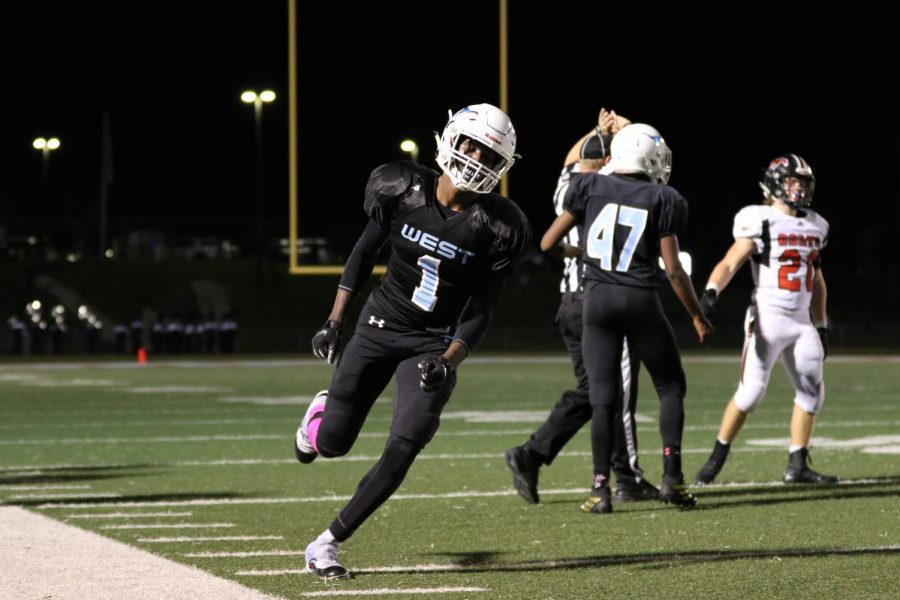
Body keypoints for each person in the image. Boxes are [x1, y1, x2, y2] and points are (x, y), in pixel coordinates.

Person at [295, 103, 531, 580]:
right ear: (450, 140)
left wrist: (449, 360)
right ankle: (319, 419)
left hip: (431, 343)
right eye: (471, 146)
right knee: (334, 444)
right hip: (379, 326)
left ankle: (326, 544)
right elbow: (364, 253)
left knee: (407, 442)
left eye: (489, 154)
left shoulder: (499, 225)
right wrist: (335, 321)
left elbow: (482, 311)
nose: (476, 159)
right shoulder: (402, 188)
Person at [540, 123, 711, 514]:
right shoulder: (664, 197)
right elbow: (673, 270)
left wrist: (580, 255)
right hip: (640, 301)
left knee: (603, 399)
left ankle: (600, 489)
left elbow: (547, 243)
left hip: (596, 304)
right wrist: (697, 316)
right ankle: (673, 479)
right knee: (669, 387)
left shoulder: (586, 187)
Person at [505, 109, 661, 507]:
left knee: (597, 392)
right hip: (603, 299)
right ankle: (626, 478)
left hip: (571, 304)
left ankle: (531, 454)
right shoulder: (607, 184)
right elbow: (639, 156)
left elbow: (572, 159)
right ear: (607, 161)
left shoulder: (568, 184)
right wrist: (625, 130)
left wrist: (596, 130)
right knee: (618, 393)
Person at [694, 154, 836, 485]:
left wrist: (822, 324)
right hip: (767, 318)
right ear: (773, 185)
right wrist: (711, 291)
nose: (798, 190)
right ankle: (717, 457)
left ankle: (797, 463)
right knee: (751, 393)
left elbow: (815, 280)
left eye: (802, 184)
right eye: (791, 182)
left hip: (801, 323)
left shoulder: (816, 225)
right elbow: (732, 261)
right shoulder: (759, 219)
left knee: (812, 391)